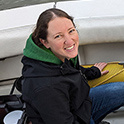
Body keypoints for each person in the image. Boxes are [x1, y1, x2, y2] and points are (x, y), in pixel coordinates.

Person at [21, 8, 124, 124]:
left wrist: (93, 71)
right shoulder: (45, 88)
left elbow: (72, 70)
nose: (70, 41)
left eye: (71, 31)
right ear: (45, 42)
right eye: (58, 36)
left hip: (81, 105)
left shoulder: (59, 56)